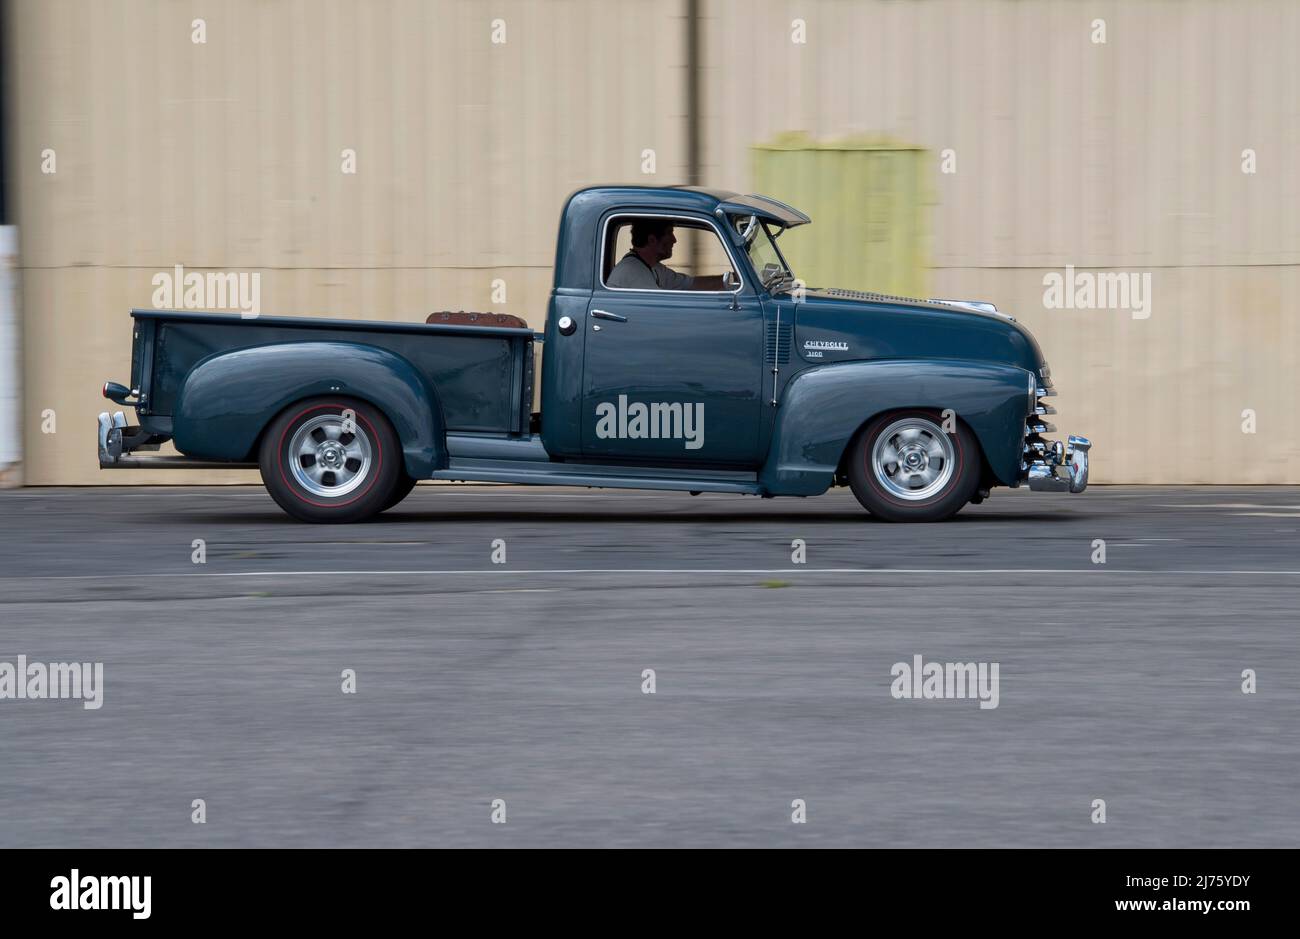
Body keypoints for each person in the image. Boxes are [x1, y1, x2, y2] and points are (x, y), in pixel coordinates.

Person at [606, 219, 729, 290]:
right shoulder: (632, 271)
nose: (674, 240)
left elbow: (691, 284)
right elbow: (659, 310)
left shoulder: (654, 268)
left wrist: (728, 281)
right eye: (669, 233)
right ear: (652, 240)